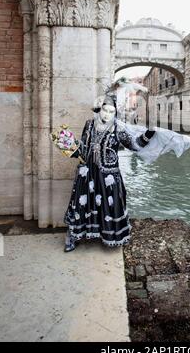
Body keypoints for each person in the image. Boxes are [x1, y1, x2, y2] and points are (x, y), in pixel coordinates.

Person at [63, 92, 155, 252]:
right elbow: (83, 145)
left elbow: (135, 145)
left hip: (108, 175)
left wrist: (149, 134)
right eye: (105, 110)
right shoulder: (89, 124)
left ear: (115, 113)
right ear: (99, 110)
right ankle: (74, 236)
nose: (107, 114)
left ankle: (109, 236)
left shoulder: (119, 129)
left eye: (111, 112)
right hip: (87, 172)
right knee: (81, 203)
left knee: (108, 205)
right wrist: (69, 144)